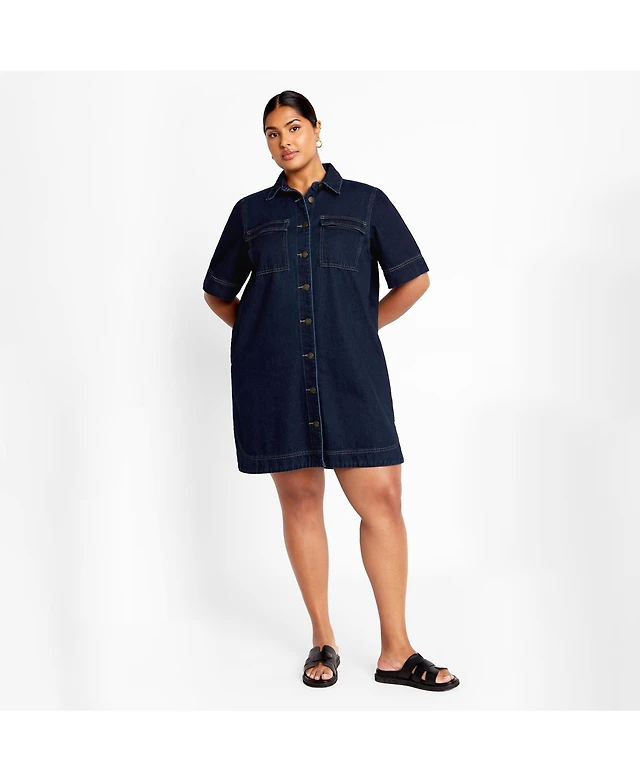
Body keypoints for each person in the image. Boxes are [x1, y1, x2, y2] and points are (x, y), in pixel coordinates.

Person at [203, 90, 459, 692]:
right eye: (272, 133)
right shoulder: (251, 213)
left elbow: (415, 280)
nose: (284, 142)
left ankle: (396, 651)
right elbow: (218, 292)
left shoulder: (366, 203)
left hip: (351, 374)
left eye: (293, 127)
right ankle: (323, 637)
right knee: (300, 501)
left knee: (382, 502)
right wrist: (263, 335)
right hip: (276, 377)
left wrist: (358, 327)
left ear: (317, 129)